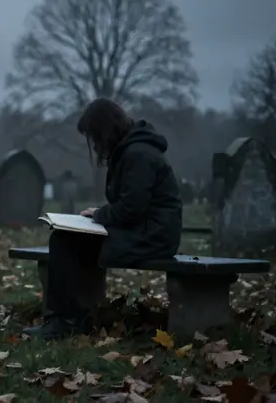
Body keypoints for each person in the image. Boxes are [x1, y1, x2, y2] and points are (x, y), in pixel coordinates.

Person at [24, 97, 182, 339]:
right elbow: (132, 204)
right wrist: (98, 214)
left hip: (154, 236)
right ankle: (68, 317)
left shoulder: (138, 154)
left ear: (104, 131)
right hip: (145, 230)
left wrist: (99, 214)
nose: (95, 145)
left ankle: (68, 320)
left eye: (94, 137)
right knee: (64, 238)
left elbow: (131, 209)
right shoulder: (131, 150)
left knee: (66, 242)